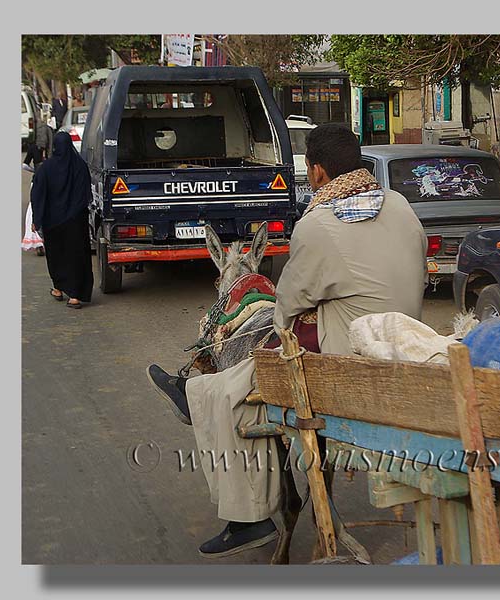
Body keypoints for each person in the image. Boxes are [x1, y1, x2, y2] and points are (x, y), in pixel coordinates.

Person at [146, 123, 428, 558]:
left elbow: (284, 309)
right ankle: (195, 392)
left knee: (247, 373)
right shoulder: (401, 206)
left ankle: (247, 514)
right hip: (400, 349)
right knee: (275, 350)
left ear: (316, 173)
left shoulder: (318, 224)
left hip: (348, 365)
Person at [30, 131, 94, 309]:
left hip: (53, 223)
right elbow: (85, 194)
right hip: (75, 221)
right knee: (76, 256)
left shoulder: (46, 168)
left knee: (57, 256)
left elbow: (38, 195)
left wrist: (37, 219)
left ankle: (58, 288)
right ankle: (75, 296)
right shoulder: (80, 166)